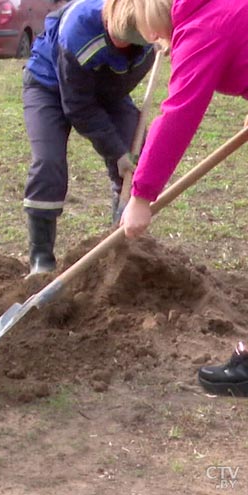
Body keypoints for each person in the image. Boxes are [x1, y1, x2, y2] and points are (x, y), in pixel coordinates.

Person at [118, 0, 248, 395]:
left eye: (151, 31)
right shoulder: (223, 10)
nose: (156, 41)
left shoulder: (203, 27)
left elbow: (179, 114)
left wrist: (141, 195)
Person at [21, 0, 154, 277]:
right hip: (49, 86)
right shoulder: (78, 30)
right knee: (49, 164)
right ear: (110, 24)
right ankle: (41, 262)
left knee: (136, 160)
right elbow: (79, 107)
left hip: (108, 91)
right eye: (120, 41)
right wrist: (114, 152)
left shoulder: (153, 23)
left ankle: (123, 253)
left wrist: (123, 152)